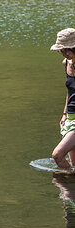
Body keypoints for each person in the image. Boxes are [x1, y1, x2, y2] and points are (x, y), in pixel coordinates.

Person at [51, 28, 75, 169]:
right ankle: (70, 189)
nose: (65, 54)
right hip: (71, 117)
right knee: (74, 166)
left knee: (57, 155)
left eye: (68, 49)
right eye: (62, 50)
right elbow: (70, 91)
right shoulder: (66, 63)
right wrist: (65, 114)